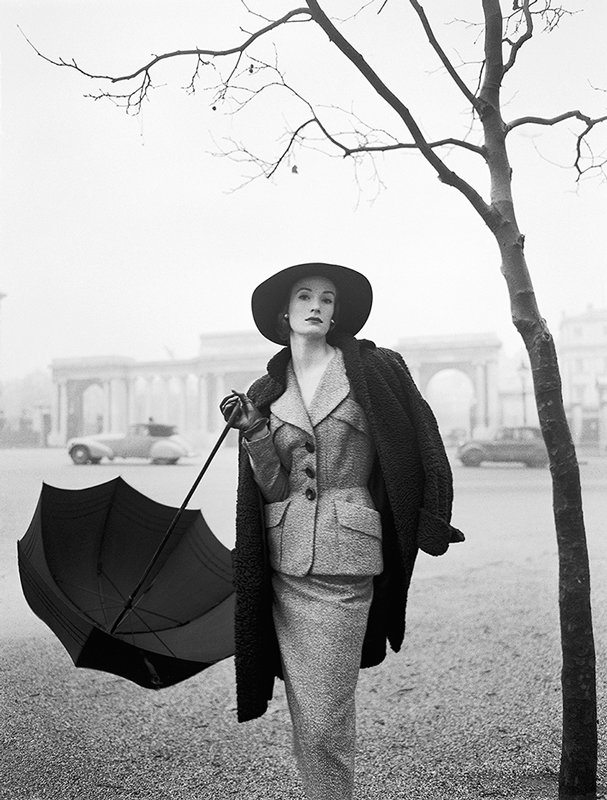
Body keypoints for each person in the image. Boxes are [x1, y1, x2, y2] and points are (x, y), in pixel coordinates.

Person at [220, 262, 464, 800]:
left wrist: (432, 516)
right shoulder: (266, 390)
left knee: (326, 714)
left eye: (327, 300)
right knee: (306, 713)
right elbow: (275, 490)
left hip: (344, 564)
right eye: (304, 297)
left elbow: (423, 443)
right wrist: (255, 433)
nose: (316, 307)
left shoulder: (375, 370)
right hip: (283, 566)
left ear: (336, 312)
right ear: (283, 312)